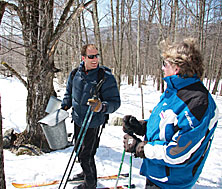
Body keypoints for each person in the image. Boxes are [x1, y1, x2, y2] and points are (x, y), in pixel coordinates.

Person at [122, 38, 219, 189]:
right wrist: (142, 127)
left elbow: (177, 152)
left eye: (165, 64)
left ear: (177, 68)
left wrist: (140, 148)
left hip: (172, 181)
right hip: (157, 172)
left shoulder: (198, 103)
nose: (162, 68)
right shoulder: (175, 91)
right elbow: (168, 125)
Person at [61, 44, 121, 189]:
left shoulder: (105, 77)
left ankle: (90, 184)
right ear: (83, 58)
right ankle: (85, 172)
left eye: (97, 56)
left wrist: (102, 107)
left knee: (86, 154)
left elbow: (115, 102)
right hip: (77, 118)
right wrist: (65, 105)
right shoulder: (75, 74)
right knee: (78, 150)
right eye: (91, 56)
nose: (95, 59)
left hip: (93, 121)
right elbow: (69, 92)